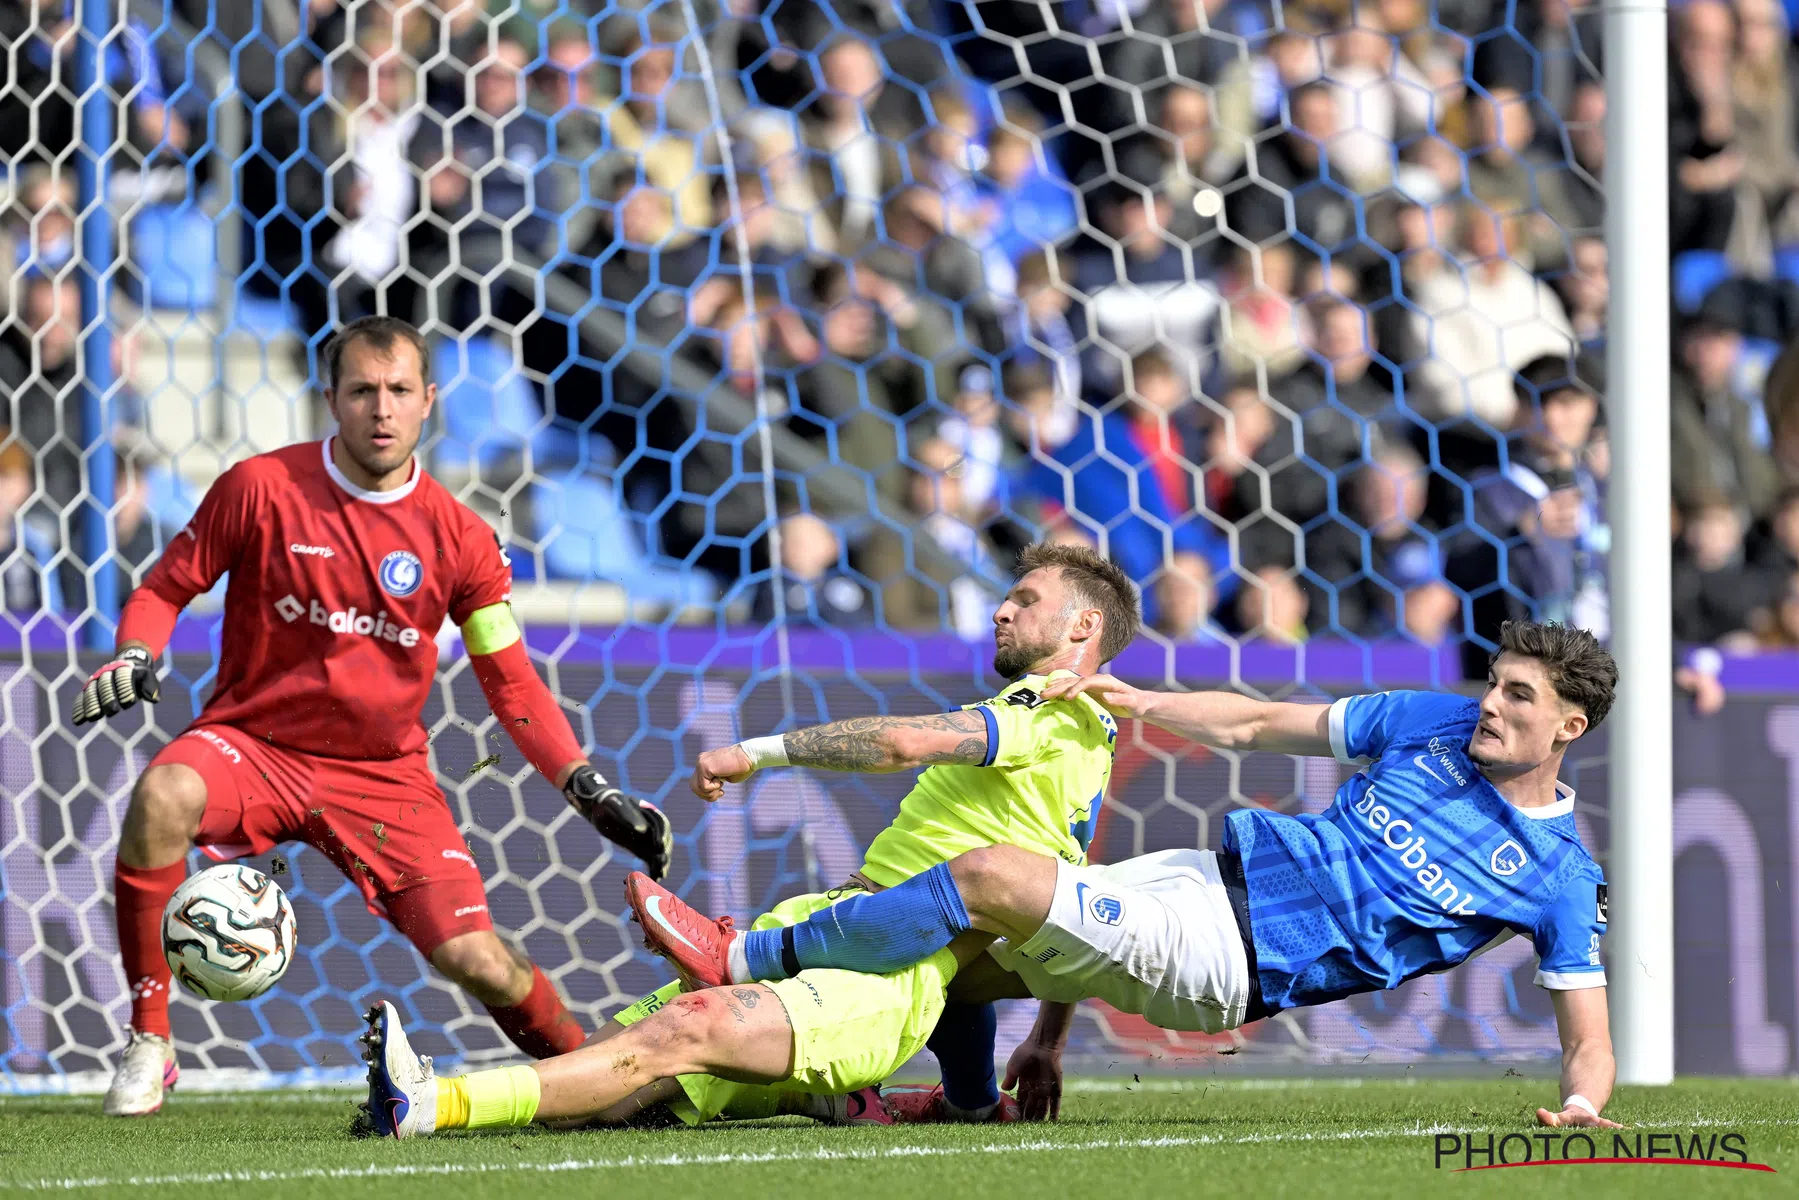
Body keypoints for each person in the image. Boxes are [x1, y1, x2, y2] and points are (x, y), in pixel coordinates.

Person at [598, 620, 1621, 1130]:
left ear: (1568, 729)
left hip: (1234, 960)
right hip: (1205, 877)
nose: (1491, 705)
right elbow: (1266, 721)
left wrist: (1581, 1111)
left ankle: (742, 950)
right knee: (961, 947)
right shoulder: (1434, 724)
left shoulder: (1559, 879)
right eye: (1494, 684)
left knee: (993, 876)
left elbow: (1589, 1045)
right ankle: (964, 1102)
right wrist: (1148, 703)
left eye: (1518, 699)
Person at [76, 317, 673, 1118]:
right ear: (331, 399)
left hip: (382, 775)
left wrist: (589, 789)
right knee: (162, 794)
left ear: (429, 401)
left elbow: (514, 686)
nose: (380, 410)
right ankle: (150, 1038)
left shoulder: (460, 538)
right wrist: (134, 654)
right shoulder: (260, 488)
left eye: (398, 392)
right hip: (254, 745)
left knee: (478, 960)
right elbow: (162, 591)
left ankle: (599, 1076)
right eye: (362, 391)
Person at [361, 542, 1141, 1137]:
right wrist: (1045, 1043)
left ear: (1083, 626)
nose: (1002, 610)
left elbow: (904, 741)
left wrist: (752, 753)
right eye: (1005, 596)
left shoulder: (1051, 708)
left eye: (1025, 599)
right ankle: (815, 1091)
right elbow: (1066, 901)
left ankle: (426, 1102)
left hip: (887, 968)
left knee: (683, 1033)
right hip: (834, 921)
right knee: (615, 1074)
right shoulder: (1081, 748)